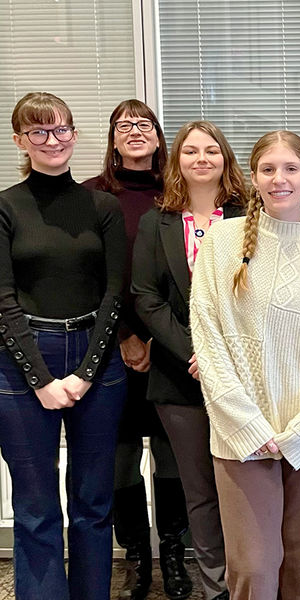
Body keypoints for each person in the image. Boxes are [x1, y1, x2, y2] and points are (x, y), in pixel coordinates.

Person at [190, 130, 300, 600]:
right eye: (268, 169)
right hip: (242, 435)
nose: (279, 179)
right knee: (254, 568)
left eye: (290, 169)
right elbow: (209, 337)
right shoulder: (221, 242)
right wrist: (245, 424)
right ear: (253, 178)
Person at [0, 92, 127, 599]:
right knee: (34, 507)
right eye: (38, 132)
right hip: (21, 361)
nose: (52, 141)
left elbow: (115, 293)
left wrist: (85, 373)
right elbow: (2, 300)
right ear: (20, 141)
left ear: (75, 135)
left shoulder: (103, 205)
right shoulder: (6, 206)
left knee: (93, 503)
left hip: (98, 361)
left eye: (61, 130)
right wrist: (42, 379)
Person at [132, 120, 246, 600]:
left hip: (245, 375)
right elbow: (145, 296)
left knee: (242, 491)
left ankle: (250, 579)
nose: (202, 158)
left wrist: (223, 357)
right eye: (191, 151)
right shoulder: (156, 222)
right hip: (179, 379)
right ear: (177, 161)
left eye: (211, 150)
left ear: (225, 158)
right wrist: (194, 352)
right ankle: (215, 586)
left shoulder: (249, 217)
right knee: (199, 491)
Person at [84, 99, 191, 600]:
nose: (134, 130)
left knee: (174, 457)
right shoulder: (91, 197)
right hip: (109, 348)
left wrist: (153, 335)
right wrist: (126, 334)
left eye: (143, 123)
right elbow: (93, 278)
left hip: (169, 345)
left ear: (157, 136)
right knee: (120, 459)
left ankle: (173, 553)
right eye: (123, 124)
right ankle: (135, 557)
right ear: (111, 138)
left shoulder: (179, 197)